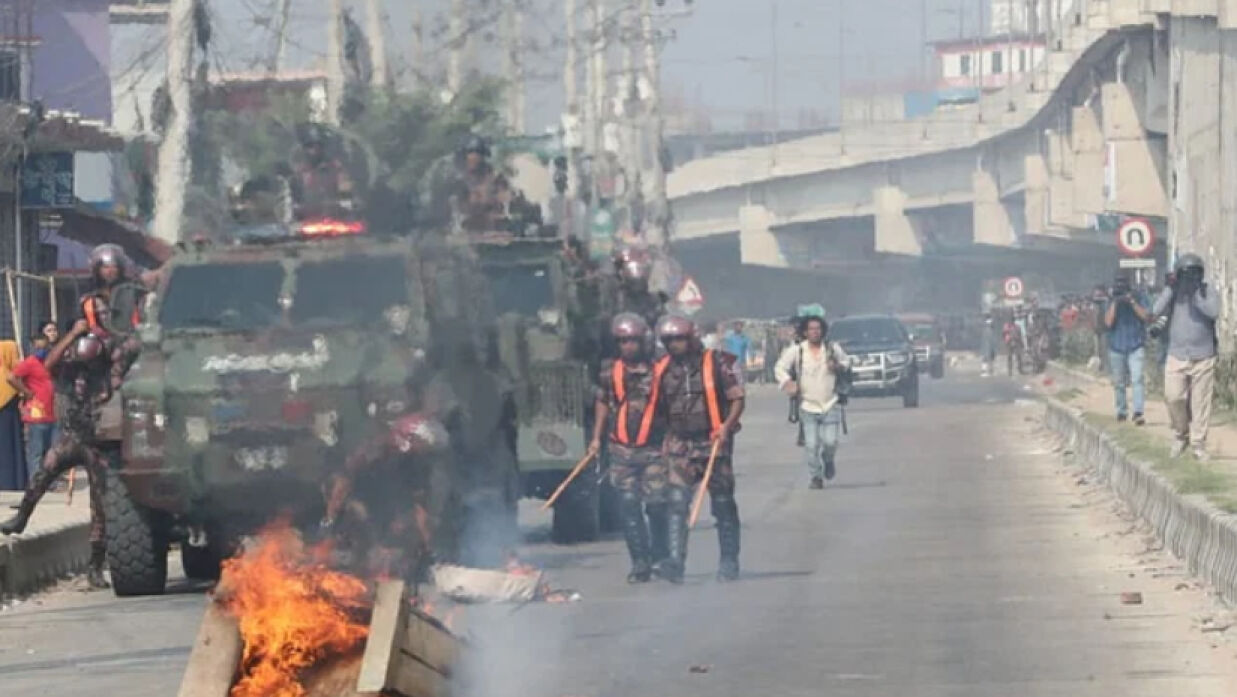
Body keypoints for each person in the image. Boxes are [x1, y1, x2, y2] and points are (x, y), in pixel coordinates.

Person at [1, 320, 113, 589]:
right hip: (71, 436)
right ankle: (22, 517)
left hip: (97, 441)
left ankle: (95, 566)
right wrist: (72, 333)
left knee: (100, 508)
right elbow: (48, 363)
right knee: (43, 473)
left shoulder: (106, 372)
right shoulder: (65, 369)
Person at [653, 315, 745, 583]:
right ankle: (675, 562)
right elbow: (656, 410)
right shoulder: (661, 370)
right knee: (677, 503)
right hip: (680, 443)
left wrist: (727, 426)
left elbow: (737, 398)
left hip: (713, 441)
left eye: (679, 339)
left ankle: (729, 561)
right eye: (669, 340)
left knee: (723, 503)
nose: (674, 345)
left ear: (691, 338)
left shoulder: (717, 362)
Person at [589, 313, 669, 583]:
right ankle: (640, 562)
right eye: (623, 341)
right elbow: (602, 402)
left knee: (657, 505)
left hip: (656, 449)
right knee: (628, 505)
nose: (628, 347)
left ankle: (661, 557)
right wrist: (596, 438)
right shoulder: (609, 371)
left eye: (633, 341)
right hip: (621, 450)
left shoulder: (661, 369)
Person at [1152, 254, 1221, 460]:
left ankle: (1198, 444)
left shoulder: (1207, 292)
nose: (1190, 278)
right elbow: (1155, 310)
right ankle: (1181, 434)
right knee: (1173, 397)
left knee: (1200, 403)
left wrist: (1196, 295)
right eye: (1186, 274)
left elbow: (1213, 312)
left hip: (1204, 355)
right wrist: (1170, 288)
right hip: (1177, 354)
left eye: (1194, 274)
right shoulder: (1174, 293)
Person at [775, 316, 851, 489]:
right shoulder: (797, 351)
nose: (815, 332)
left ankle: (828, 459)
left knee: (830, 442)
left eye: (818, 329)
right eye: (811, 329)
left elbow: (847, 363)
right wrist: (787, 382)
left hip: (830, 403)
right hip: (807, 405)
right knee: (811, 445)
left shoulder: (832, 348)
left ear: (823, 331)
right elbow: (779, 367)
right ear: (805, 332)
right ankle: (816, 477)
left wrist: (837, 366)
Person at [8, 324, 58, 485]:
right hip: (37, 413)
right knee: (36, 451)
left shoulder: (53, 361)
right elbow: (11, 378)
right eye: (38, 342)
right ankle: (36, 483)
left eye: (44, 342)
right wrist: (26, 391)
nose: (41, 346)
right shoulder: (30, 362)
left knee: (53, 451)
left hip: (53, 412)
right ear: (33, 344)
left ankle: (50, 481)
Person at [1104, 274, 1151, 424]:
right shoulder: (1111, 299)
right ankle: (1121, 411)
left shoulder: (1139, 296)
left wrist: (1132, 301)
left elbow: (1146, 316)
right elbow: (1108, 322)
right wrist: (1116, 303)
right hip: (1116, 346)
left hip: (1135, 344)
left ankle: (1138, 412)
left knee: (1137, 379)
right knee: (1119, 382)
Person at [0, 340, 23, 491]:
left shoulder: (7, 346)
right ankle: (11, 482)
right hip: (8, 401)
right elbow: (17, 370)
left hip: (7, 401)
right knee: (9, 445)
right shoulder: (9, 346)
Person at [980, 313, 998, 377]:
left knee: (986, 358)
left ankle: (985, 371)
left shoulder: (984, 327)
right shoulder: (990, 327)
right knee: (990, 358)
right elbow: (993, 339)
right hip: (989, 345)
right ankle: (989, 371)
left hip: (986, 345)